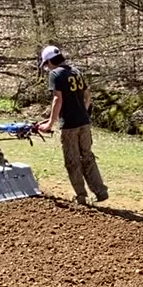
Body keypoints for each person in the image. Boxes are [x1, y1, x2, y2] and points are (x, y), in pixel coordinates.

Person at [37, 45, 109, 205]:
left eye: (46, 64)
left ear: (50, 61)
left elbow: (58, 99)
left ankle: (81, 196)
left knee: (72, 160)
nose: (47, 67)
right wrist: (83, 110)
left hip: (69, 125)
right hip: (85, 122)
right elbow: (87, 94)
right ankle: (100, 190)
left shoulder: (55, 74)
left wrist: (49, 123)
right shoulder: (76, 71)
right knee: (88, 156)